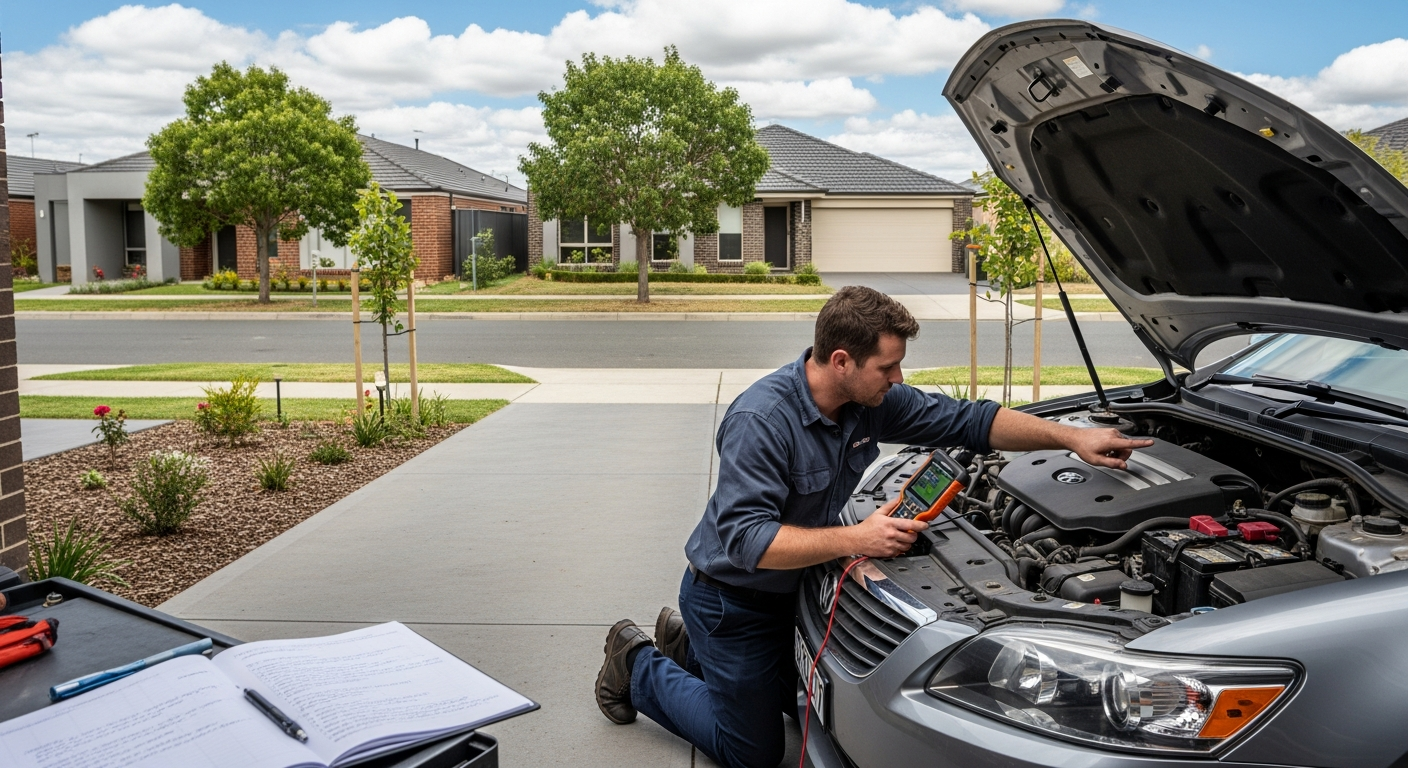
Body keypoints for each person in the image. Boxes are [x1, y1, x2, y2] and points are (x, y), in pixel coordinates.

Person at [595, 286, 1151, 768]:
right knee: (754, 752)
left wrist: (1072, 437)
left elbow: (970, 421)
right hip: (732, 600)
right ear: (841, 361)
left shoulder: (868, 402)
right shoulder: (760, 420)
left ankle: (686, 647)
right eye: (888, 367)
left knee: (805, 707)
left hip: (793, 591)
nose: (899, 378)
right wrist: (856, 540)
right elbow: (747, 541)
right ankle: (637, 661)